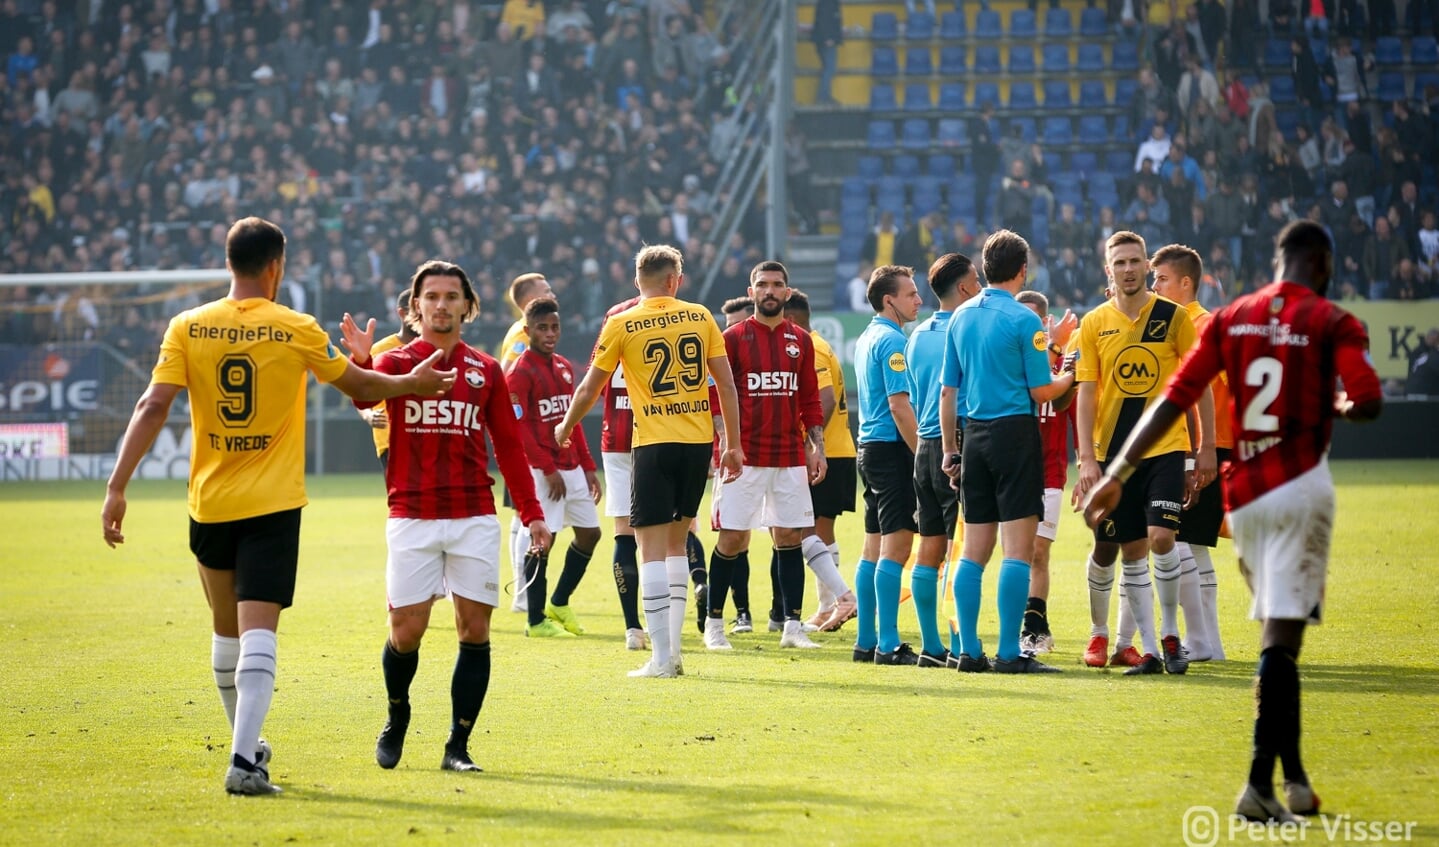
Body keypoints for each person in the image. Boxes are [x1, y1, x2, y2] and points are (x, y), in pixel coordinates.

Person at [102, 217, 457, 795]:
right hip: (270, 505)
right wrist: (409, 383)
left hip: (209, 502)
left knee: (225, 635)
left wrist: (118, 486)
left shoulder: (187, 326)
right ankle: (243, 762)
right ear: (276, 267)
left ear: (228, 264)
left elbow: (151, 405)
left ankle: (247, 745)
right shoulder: (295, 328)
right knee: (259, 631)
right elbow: (361, 386)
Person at [1082, 220, 1382, 823]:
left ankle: (1292, 777)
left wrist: (1115, 471)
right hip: (1300, 488)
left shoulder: (1227, 318)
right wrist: (1339, 405)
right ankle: (1258, 783)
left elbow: (1175, 396)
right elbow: (1369, 397)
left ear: (1276, 258)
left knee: (1277, 634)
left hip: (1247, 495)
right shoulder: (1334, 321)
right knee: (1281, 640)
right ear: (1321, 264)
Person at [346, 259, 552, 774]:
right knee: (406, 631)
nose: (440, 304)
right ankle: (397, 715)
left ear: (467, 306)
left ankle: (457, 747)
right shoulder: (396, 364)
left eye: (450, 296)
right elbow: (364, 394)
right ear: (416, 307)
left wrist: (532, 515)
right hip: (412, 514)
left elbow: (508, 447)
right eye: (431, 296)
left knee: (474, 631)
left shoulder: (486, 369)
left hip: (473, 516)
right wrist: (362, 362)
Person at [555, 245, 743, 678]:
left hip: (653, 444)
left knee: (650, 551)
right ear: (675, 280)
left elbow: (590, 388)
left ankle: (660, 659)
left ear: (637, 282)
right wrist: (731, 444)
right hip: (697, 444)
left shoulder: (622, 323)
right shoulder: (700, 316)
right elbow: (727, 385)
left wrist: (565, 427)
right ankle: (673, 653)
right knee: (679, 543)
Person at [1072, 231, 1214, 676]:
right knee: (1121, 547)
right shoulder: (1093, 324)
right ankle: (1147, 648)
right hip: (1113, 457)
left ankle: (1171, 636)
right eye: (1121, 263)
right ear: (1108, 270)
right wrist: (1088, 460)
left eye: (1136, 261)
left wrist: (1204, 447)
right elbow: (1086, 395)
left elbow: (1199, 385)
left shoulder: (1173, 318)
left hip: (1165, 449)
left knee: (1161, 539)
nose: (1129, 269)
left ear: (1146, 268)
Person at [938, 230, 1076, 675]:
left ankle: (969, 651)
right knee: (1017, 552)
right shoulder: (1024, 322)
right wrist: (1070, 374)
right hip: (1015, 435)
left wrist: (949, 449)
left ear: (983, 268)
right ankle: (1010, 653)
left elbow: (948, 391)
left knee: (973, 551)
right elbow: (1041, 391)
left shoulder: (960, 318)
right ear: (1023, 270)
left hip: (972, 436)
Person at [704, 261, 827, 651]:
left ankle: (792, 626)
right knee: (733, 538)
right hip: (747, 457)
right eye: (763, 285)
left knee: (790, 536)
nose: (770, 291)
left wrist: (816, 447)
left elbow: (808, 398)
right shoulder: (733, 338)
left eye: (777, 285)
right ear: (752, 290)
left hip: (789, 455)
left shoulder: (800, 341)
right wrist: (727, 443)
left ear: (787, 293)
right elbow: (716, 397)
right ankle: (714, 624)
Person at [1149, 244, 1232, 661]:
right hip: (1202, 445)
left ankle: (1202, 641)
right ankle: (1208, 643)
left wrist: (1206, 451)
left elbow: (1206, 390)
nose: (1153, 286)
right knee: (1193, 545)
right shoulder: (1193, 323)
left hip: (1200, 447)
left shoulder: (1196, 324)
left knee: (1180, 542)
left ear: (1185, 283)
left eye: (1160, 279)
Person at [507, 296, 602, 639]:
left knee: (591, 534)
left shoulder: (562, 366)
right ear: (528, 330)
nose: (550, 333)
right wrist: (547, 469)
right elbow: (520, 431)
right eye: (542, 328)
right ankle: (535, 620)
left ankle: (559, 602)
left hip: (572, 466)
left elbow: (571, 421)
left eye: (555, 327)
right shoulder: (520, 372)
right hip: (543, 471)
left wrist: (589, 466)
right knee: (543, 540)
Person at [904, 253, 982, 667]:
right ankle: (966, 644)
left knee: (930, 545)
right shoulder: (969, 329)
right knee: (965, 548)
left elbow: (917, 394)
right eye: (977, 279)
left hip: (926, 443)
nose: (982, 286)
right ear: (966, 287)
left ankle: (931, 646)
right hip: (961, 441)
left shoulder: (916, 336)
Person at [852, 264, 923, 665]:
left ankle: (866, 640)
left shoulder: (867, 337)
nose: (918, 300)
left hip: (870, 447)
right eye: (911, 294)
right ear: (888, 300)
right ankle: (889, 643)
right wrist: (921, 454)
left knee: (873, 545)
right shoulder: (894, 342)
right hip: (892, 449)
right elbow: (899, 406)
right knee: (897, 547)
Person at [784, 290, 860, 633]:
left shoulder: (810, 346)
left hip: (827, 452)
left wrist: (808, 444)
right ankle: (830, 606)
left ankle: (834, 603)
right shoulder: (817, 345)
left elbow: (825, 400)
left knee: (809, 531)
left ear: (792, 320)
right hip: (836, 450)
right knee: (820, 531)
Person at [1014, 290, 1078, 655]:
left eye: (1034, 322)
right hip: (1014, 470)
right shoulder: (1010, 363)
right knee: (1016, 553)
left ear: (1045, 322)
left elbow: (1074, 413)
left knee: (1038, 552)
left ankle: (1034, 627)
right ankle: (1019, 627)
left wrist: (1086, 465)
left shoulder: (1063, 363)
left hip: (1050, 473)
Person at [500, 271, 556, 612]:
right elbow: (509, 374)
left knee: (518, 516)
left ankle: (522, 589)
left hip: (521, 435)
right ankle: (524, 593)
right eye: (544, 288)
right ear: (526, 300)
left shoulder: (522, 332)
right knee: (530, 515)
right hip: (525, 437)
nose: (551, 291)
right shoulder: (522, 334)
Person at [358, 289, 417, 469]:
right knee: (401, 497)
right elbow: (360, 390)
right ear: (402, 313)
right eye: (417, 310)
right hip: (391, 439)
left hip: (428, 436)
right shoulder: (380, 350)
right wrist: (368, 414)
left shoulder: (435, 348)